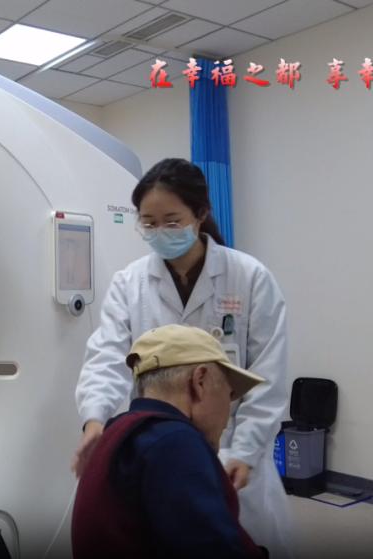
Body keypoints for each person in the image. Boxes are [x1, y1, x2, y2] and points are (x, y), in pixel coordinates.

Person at [72, 158, 292, 556]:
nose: (160, 232)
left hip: (234, 449)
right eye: (149, 223)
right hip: (159, 449)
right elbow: (106, 358)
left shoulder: (249, 277)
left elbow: (268, 375)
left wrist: (245, 450)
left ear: (201, 214)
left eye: (172, 222)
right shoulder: (130, 283)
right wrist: (94, 420)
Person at [72, 324, 269, 559]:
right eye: (230, 395)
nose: (228, 413)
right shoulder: (175, 443)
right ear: (200, 381)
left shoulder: (117, 433)